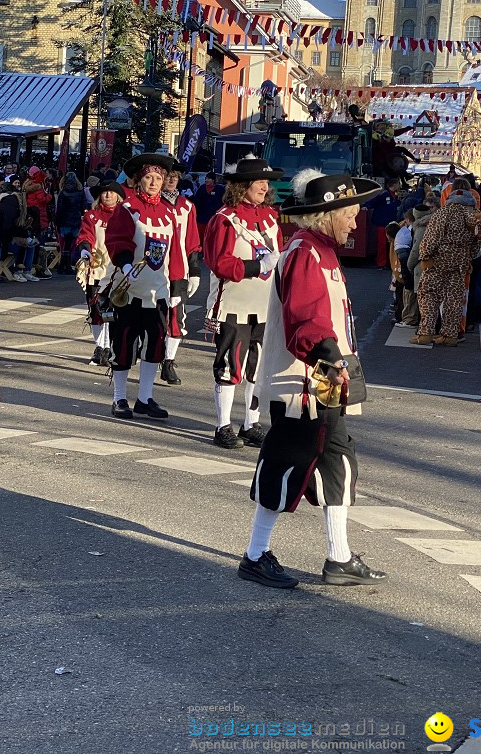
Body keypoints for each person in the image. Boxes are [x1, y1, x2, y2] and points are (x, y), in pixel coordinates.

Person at [238, 172, 387, 589]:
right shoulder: (305, 252)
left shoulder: (321, 250)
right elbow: (306, 319)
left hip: (323, 384)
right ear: (329, 215)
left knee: (337, 461)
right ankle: (254, 555)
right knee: (285, 462)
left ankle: (339, 558)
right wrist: (330, 357)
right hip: (301, 385)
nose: (355, 224)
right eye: (350, 216)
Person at [202, 158, 282, 449]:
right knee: (229, 367)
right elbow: (219, 263)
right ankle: (223, 425)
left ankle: (251, 423)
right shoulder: (224, 219)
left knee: (257, 368)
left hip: (265, 306)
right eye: (259, 181)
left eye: (267, 182)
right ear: (242, 186)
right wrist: (256, 266)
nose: (265, 186)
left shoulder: (271, 218)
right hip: (232, 305)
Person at [104, 152, 181, 420]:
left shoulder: (169, 213)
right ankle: (119, 398)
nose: (153, 182)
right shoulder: (127, 209)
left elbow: (175, 252)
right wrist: (125, 264)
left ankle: (145, 398)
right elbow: (116, 239)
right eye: (148, 177)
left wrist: (179, 286)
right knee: (124, 345)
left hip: (157, 291)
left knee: (155, 346)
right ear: (138, 180)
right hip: (130, 290)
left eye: (158, 178)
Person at [410, 179, 481, 346]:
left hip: (439, 260)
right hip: (460, 262)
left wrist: (425, 256)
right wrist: (468, 256)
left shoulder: (444, 212)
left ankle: (425, 333)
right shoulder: (474, 214)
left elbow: (432, 237)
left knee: (428, 295)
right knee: (454, 299)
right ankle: (450, 335)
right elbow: (478, 241)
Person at [159, 163, 202, 386]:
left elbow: (192, 240)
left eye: (175, 176)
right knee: (153, 318)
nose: (171, 180)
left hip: (179, 270)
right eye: (168, 176)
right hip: (155, 271)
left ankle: (168, 361)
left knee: (176, 317)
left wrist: (194, 271)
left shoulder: (187, 207)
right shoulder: (153, 204)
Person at [76, 181, 123, 366]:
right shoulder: (92, 216)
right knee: (96, 310)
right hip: (97, 269)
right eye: (104, 193)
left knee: (114, 311)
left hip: (119, 269)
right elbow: (85, 235)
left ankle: (110, 347)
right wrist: (85, 249)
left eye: (112, 193)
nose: (108, 196)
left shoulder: (126, 216)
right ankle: (99, 347)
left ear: (118, 196)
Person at [54, 172, 90, 274]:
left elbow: (59, 209)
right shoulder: (80, 191)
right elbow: (84, 205)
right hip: (75, 220)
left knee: (64, 244)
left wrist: (57, 222)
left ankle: (63, 266)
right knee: (70, 244)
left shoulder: (63, 192)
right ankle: (66, 266)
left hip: (64, 220)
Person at [366, 176, 401, 268]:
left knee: (389, 244)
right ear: (394, 184)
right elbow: (373, 202)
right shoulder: (384, 194)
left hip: (390, 223)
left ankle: (388, 263)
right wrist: (365, 206)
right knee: (382, 244)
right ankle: (381, 263)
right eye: (398, 184)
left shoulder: (394, 196)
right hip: (382, 223)